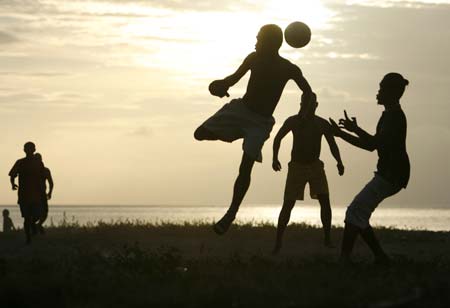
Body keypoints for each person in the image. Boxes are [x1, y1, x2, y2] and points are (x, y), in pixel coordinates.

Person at [194, 24, 313, 234]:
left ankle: (231, 213)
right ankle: (238, 133)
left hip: (261, 122)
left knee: (245, 166)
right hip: (240, 110)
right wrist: (218, 87)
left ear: (270, 43)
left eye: (258, 39)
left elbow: (308, 92)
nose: (255, 42)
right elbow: (231, 80)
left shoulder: (288, 68)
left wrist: (304, 112)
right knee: (199, 134)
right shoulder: (253, 58)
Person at [329, 72, 410, 265]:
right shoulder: (391, 115)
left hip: (391, 175)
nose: (378, 92)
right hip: (391, 174)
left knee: (354, 212)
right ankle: (380, 258)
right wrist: (353, 130)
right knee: (359, 213)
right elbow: (375, 144)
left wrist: (340, 134)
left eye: (381, 88)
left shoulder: (394, 117)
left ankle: (345, 259)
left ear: (391, 92)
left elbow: (371, 145)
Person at [272, 93, 344, 254]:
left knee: (324, 201)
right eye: (304, 104)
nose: (307, 107)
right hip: (296, 166)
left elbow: (332, 144)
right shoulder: (293, 121)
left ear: (316, 105)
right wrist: (274, 158)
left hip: (315, 167)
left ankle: (327, 239)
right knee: (288, 204)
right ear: (301, 104)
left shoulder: (321, 123)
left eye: (310, 104)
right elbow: (278, 138)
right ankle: (278, 243)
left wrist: (339, 161)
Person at [9, 142, 43, 243]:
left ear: (34, 149)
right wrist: (13, 184)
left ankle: (32, 226)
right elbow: (12, 175)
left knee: (37, 215)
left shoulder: (38, 163)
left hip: (36, 194)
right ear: (24, 150)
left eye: (30, 148)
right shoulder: (20, 162)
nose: (29, 150)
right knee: (27, 217)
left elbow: (43, 175)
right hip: (24, 195)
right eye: (27, 148)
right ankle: (28, 238)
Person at [34, 153, 54, 234]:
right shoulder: (32, 171)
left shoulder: (45, 170)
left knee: (44, 212)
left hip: (42, 194)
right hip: (33, 194)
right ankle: (34, 227)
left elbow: (51, 183)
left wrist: (49, 193)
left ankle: (38, 225)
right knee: (35, 213)